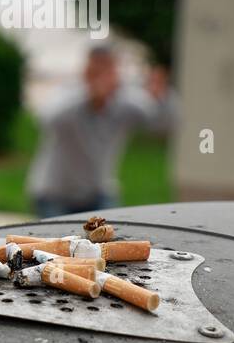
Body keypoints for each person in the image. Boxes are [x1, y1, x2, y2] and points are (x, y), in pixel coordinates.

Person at [26, 46, 175, 218]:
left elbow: (162, 124)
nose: (102, 78)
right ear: (86, 70)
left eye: (107, 70)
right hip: (53, 194)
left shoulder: (125, 102)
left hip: (98, 192)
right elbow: (46, 119)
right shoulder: (67, 92)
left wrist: (162, 95)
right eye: (96, 70)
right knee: (55, 244)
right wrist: (89, 95)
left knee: (111, 239)